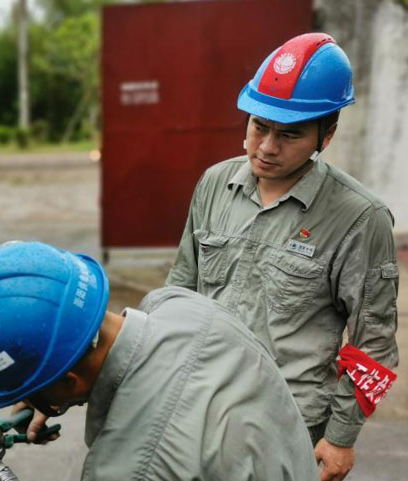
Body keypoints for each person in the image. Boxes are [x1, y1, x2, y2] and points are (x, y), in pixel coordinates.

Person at [166, 33, 399, 481]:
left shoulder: (359, 218)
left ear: (325, 136)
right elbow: (178, 294)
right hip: (198, 408)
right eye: (259, 127)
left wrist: (341, 437)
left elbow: (376, 346)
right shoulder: (215, 184)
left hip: (290, 427)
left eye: (289, 134)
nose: (267, 147)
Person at [0, 241, 318, 480]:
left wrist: (50, 392)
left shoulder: (127, 471)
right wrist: (47, 390)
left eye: (30, 393)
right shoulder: (187, 308)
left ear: (70, 381)